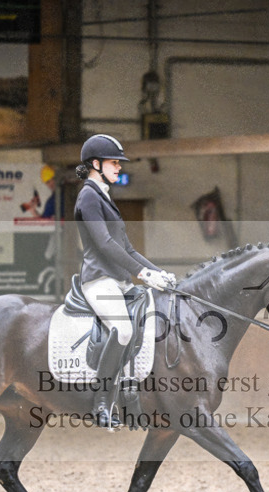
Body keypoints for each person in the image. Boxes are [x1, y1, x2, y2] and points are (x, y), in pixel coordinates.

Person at [74, 133, 176, 429]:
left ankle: (132, 399)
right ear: (96, 164)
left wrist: (158, 272)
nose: (119, 167)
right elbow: (105, 244)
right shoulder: (88, 196)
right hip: (98, 280)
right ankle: (101, 403)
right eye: (114, 162)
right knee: (121, 329)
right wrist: (143, 275)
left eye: (119, 163)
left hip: (118, 280)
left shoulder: (104, 195)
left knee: (148, 322)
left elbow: (127, 249)